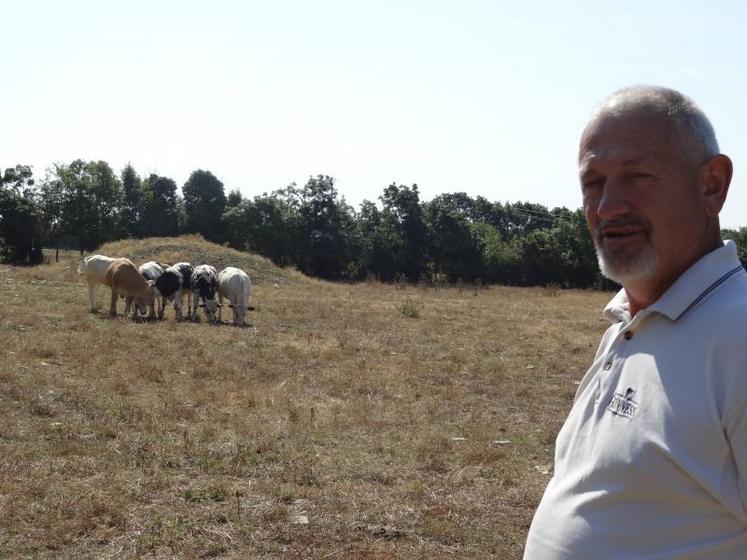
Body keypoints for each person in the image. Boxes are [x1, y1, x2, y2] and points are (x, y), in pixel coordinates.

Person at [523, 85, 747, 559]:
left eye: (636, 176)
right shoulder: (630, 322)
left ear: (712, 185)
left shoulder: (739, 335)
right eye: (593, 183)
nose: (607, 207)